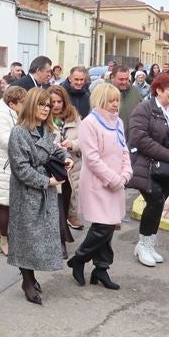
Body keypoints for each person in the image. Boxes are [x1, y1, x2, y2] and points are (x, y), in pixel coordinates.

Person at [7, 89, 73, 304]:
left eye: (48, 105)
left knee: (39, 237)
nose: (46, 109)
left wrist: (66, 158)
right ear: (31, 106)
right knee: (27, 237)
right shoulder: (19, 132)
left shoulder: (45, 129)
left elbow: (53, 150)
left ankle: (31, 276)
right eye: (41, 105)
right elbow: (21, 168)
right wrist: (47, 182)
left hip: (45, 191)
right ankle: (27, 280)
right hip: (27, 192)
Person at [66, 82, 132, 290]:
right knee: (102, 227)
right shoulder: (89, 123)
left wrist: (125, 173)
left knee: (109, 227)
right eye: (111, 100)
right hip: (98, 183)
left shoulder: (118, 122)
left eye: (117, 101)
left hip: (116, 181)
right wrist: (113, 179)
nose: (115, 105)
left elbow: (124, 150)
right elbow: (92, 158)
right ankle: (79, 258)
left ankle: (101, 269)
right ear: (101, 100)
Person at [128, 73, 169, 267]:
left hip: (167, 169)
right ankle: (142, 245)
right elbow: (140, 139)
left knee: (159, 203)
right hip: (146, 165)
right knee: (154, 200)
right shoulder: (144, 109)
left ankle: (149, 243)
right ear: (159, 90)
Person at [0, 85, 26, 257]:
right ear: (12, 104)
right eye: (23, 103)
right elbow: (5, 140)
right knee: (6, 204)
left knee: (11, 204)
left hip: (13, 165)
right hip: (4, 166)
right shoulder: (2, 115)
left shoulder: (15, 114)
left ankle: (2, 229)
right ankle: (3, 239)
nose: (26, 106)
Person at [49, 84, 83, 238]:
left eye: (59, 102)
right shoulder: (43, 117)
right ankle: (59, 231)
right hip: (53, 164)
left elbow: (85, 139)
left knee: (72, 191)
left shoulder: (74, 116)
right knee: (57, 197)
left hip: (73, 162)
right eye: (53, 102)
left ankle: (71, 216)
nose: (56, 105)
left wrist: (73, 144)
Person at [111, 66, 143, 131]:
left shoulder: (135, 91)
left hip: (133, 137)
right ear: (112, 78)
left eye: (126, 79)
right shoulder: (105, 93)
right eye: (121, 79)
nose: (124, 82)